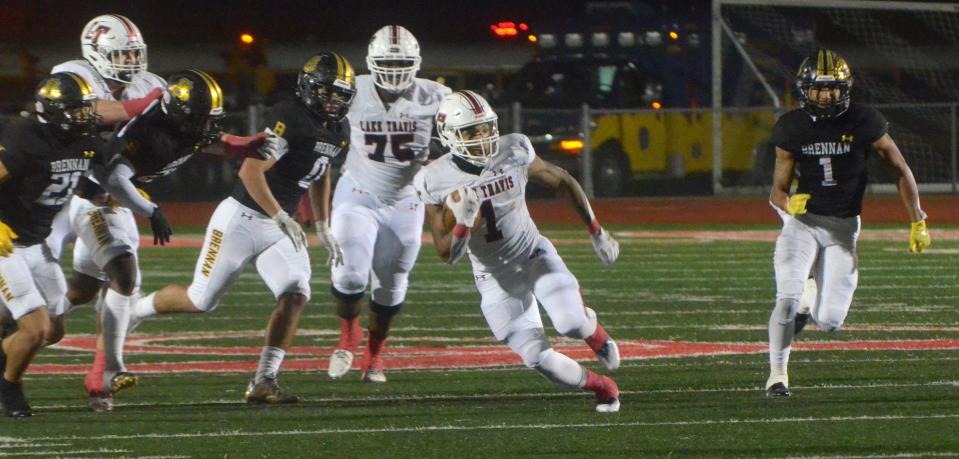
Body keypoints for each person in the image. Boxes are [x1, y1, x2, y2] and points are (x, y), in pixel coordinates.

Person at [45, 69, 282, 412]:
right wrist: (151, 210)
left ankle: (27, 324)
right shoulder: (149, 131)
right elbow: (110, 177)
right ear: (177, 113)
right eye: (199, 118)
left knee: (79, 294)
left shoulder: (184, 124)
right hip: (96, 201)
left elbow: (208, 139)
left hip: (116, 205)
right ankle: (105, 373)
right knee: (124, 274)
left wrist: (244, 144)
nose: (205, 125)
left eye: (208, 118)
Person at [127, 52, 355, 404]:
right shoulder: (288, 116)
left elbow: (321, 170)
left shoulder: (340, 128)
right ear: (309, 88)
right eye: (327, 93)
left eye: (340, 95)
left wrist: (323, 222)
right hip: (243, 218)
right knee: (201, 300)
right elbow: (250, 172)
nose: (334, 101)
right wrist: (281, 215)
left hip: (281, 223)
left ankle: (264, 380)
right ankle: (136, 310)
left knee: (295, 293)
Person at [412, 90, 623, 412]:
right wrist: (462, 225)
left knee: (570, 323)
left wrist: (597, 231)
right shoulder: (433, 178)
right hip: (493, 276)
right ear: (449, 135)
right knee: (535, 357)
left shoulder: (514, 149)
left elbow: (562, 180)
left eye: (485, 127)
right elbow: (447, 254)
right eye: (471, 131)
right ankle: (603, 387)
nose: (482, 137)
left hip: (532, 253)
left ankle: (596, 335)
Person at [765, 49, 931, 398]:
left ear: (845, 88)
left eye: (832, 88)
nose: (825, 95)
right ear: (804, 89)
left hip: (843, 228)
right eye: (818, 89)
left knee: (830, 321)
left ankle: (812, 301)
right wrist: (788, 203)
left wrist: (918, 220)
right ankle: (777, 376)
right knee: (786, 298)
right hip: (804, 222)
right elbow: (777, 193)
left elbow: (900, 170)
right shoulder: (791, 127)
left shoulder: (864, 121)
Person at [44, 14, 168, 409]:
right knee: (42, 305)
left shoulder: (150, 84)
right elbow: (98, 112)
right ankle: (101, 365)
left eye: (134, 53)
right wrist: (141, 106)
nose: (130, 62)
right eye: (120, 53)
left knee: (99, 283)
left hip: (105, 195)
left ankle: (103, 375)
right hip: (58, 194)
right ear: (94, 52)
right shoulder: (72, 74)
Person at [326, 25, 451, 383]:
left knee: (391, 286)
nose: (394, 70)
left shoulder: (436, 96)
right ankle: (349, 331)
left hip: (406, 200)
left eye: (402, 62)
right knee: (349, 274)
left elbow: (460, 140)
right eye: (387, 62)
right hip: (358, 193)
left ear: (417, 63)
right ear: (370, 62)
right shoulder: (351, 89)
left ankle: (374, 356)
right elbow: (320, 129)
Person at [0, 73, 106, 418]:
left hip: (36, 242)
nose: (84, 116)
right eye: (76, 110)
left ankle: (5, 355)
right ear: (54, 111)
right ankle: (9, 388)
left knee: (55, 329)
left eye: (85, 110)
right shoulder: (25, 136)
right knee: (34, 329)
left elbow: (90, 177)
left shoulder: (82, 139)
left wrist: (117, 196)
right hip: (6, 243)